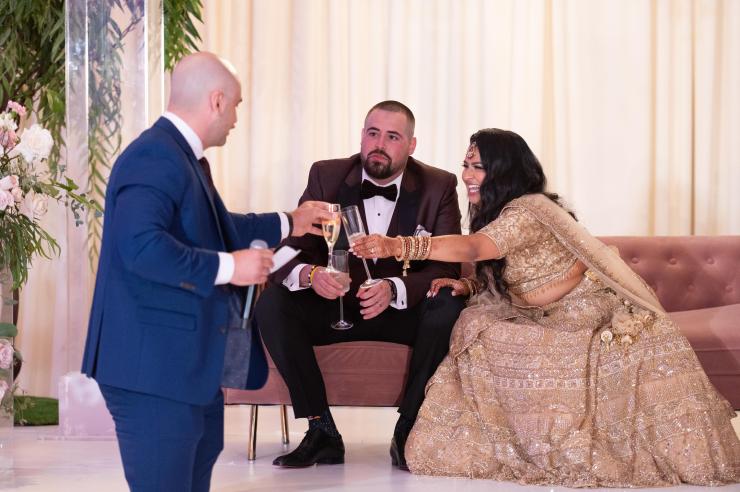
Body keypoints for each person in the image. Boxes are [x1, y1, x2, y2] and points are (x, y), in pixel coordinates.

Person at [352, 128, 740, 487]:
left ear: (503, 171)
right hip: (538, 309)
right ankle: (502, 440)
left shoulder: (527, 211)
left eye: (478, 167)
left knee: (482, 329)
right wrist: (470, 285)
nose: (467, 175)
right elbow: (510, 273)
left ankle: (548, 442)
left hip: (580, 308)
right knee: (475, 323)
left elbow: (474, 248)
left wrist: (397, 245)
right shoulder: (501, 212)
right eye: (466, 165)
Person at [81, 52, 329, 492]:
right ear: (216, 101)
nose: (235, 118)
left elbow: (215, 227)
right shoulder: (154, 156)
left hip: (183, 365)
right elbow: (141, 246)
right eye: (236, 105)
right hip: (152, 368)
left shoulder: (180, 157)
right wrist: (231, 266)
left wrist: (290, 221)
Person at [255, 100, 466, 470]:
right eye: (372, 133)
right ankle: (321, 430)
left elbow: (447, 264)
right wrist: (312, 276)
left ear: (412, 145)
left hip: (403, 314)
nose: (379, 144)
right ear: (362, 136)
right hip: (338, 307)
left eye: (392, 136)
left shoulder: (439, 185)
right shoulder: (327, 176)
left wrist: (394, 289)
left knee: (447, 302)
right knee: (273, 303)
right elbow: (287, 252)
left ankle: (408, 430)